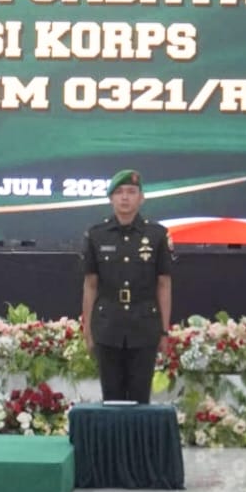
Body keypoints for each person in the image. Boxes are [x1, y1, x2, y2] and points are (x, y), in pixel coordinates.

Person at [81, 169, 172, 403]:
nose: (125, 197)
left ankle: (138, 431)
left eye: (131, 192)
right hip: (107, 327)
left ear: (141, 198)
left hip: (144, 327)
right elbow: (90, 285)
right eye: (119, 192)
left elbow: (163, 285)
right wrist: (88, 330)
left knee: (141, 400)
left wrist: (164, 331)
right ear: (111, 198)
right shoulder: (96, 235)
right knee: (111, 399)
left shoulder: (157, 235)